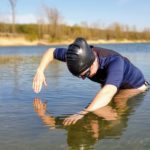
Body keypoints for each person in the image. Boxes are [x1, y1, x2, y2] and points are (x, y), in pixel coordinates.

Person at [32, 37, 149, 125]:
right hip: (111, 83)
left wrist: (82, 113)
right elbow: (51, 51)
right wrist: (40, 70)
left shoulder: (114, 61)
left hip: (134, 86)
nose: (83, 78)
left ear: (92, 62)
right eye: (79, 76)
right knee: (98, 107)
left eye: (86, 74)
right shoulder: (77, 56)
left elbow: (108, 91)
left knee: (114, 109)